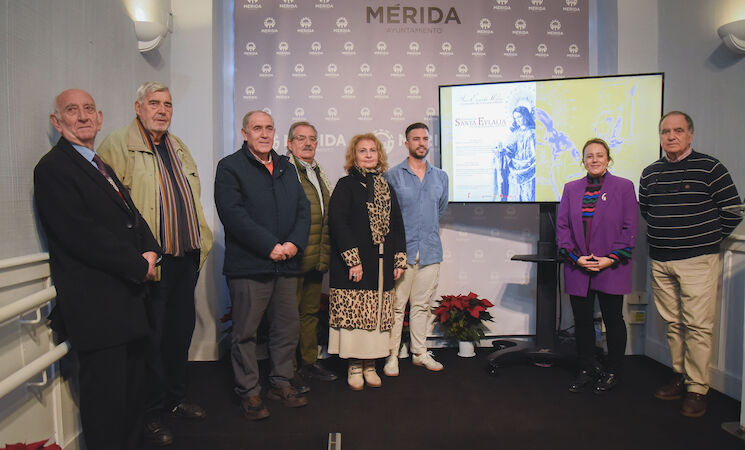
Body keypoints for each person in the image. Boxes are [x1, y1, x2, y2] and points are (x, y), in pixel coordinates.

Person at [34, 89, 160, 450]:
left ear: (100, 117)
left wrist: (152, 250)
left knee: (132, 397)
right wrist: (138, 264)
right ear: (57, 121)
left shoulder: (98, 163)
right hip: (97, 309)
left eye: (89, 109)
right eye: (72, 110)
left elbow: (132, 217)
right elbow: (81, 234)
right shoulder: (53, 168)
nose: (83, 116)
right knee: (106, 404)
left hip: (128, 302)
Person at [98, 82, 213, 446]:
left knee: (179, 336)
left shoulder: (177, 146)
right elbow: (108, 208)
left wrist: (201, 244)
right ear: (138, 107)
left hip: (184, 259)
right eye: (154, 103)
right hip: (150, 265)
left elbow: (191, 199)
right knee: (151, 343)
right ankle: (150, 413)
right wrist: (135, 257)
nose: (162, 110)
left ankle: (175, 398)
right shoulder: (118, 145)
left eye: (167, 104)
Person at [639, 111, 742, 417]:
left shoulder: (710, 168)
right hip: (661, 259)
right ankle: (680, 376)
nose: (671, 136)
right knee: (673, 323)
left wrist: (708, 239)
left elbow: (733, 211)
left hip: (698, 261)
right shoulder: (650, 173)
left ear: (690, 135)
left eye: (678, 130)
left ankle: (697, 388)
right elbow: (647, 210)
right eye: (665, 131)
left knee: (698, 325)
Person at [214, 110, 311, 420]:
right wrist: (269, 246)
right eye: (257, 128)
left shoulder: (286, 167)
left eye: (269, 128)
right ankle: (249, 391)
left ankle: (280, 383)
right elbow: (233, 215)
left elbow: (303, 210)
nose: (264, 133)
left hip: (286, 264)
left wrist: (294, 243)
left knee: (286, 329)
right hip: (250, 266)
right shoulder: (230, 167)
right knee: (245, 333)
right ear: (245, 133)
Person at [556, 138, 638, 394]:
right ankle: (586, 369)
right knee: (581, 321)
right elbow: (562, 227)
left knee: (613, 320)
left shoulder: (624, 187)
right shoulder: (571, 189)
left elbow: (630, 227)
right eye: (589, 155)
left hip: (611, 265)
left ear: (608, 159)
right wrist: (575, 258)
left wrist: (610, 258)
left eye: (599, 155)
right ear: (583, 161)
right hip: (578, 265)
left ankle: (613, 372)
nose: (594, 159)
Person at [327, 133, 407, 390]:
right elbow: (339, 225)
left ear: (379, 155)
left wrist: (398, 259)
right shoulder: (345, 185)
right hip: (355, 265)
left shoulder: (386, 187)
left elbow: (397, 225)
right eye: (363, 150)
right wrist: (353, 261)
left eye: (373, 150)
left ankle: (370, 364)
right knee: (357, 317)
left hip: (382, 266)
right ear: (354, 156)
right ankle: (354, 365)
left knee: (376, 317)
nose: (369, 154)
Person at [384, 123, 449, 375]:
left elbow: (440, 210)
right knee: (397, 306)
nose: (421, 143)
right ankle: (392, 355)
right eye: (416, 139)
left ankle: (419, 353)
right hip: (402, 253)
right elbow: (388, 216)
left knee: (421, 306)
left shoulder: (441, 176)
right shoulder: (393, 176)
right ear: (406, 143)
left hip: (430, 251)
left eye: (425, 138)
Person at [285, 121, 338, 389]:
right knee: (289, 316)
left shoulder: (318, 172)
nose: (307, 143)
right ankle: (288, 369)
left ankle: (308, 362)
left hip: (316, 256)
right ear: (289, 143)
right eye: (301, 138)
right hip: (294, 257)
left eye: (312, 139)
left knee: (309, 313)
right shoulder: (285, 171)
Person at [495, 106, 536, 201]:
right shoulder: (515, 133)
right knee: (517, 195)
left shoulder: (533, 133)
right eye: (515, 118)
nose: (517, 120)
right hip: (516, 167)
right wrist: (501, 151)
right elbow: (509, 149)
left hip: (531, 167)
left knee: (529, 194)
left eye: (519, 117)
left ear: (526, 116)